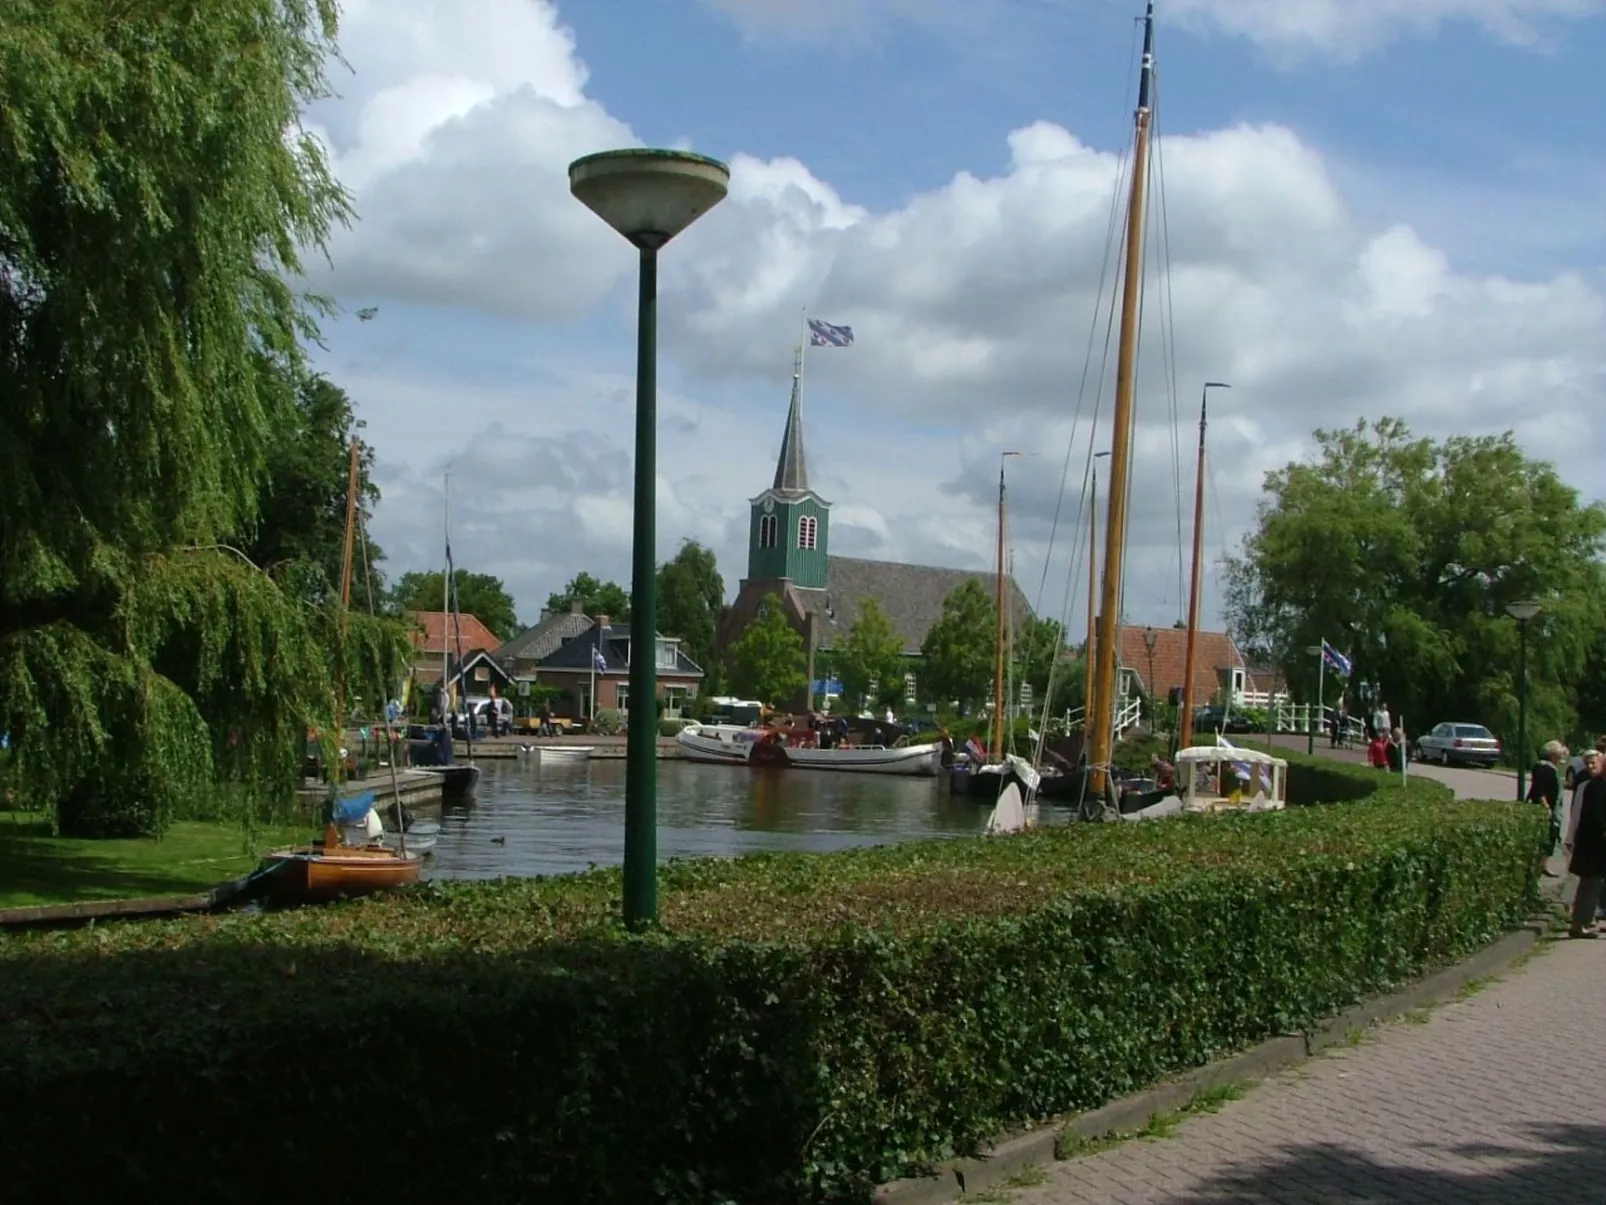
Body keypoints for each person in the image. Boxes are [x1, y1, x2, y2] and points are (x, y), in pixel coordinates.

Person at [1566, 755, 1605, 938]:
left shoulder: (1594, 785)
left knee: (1588, 884)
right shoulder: (1598, 788)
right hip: (1594, 845)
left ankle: (1579, 923)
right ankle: (1580, 923)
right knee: (1592, 885)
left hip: (1590, 843)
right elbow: (1596, 817)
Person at [1528, 739, 1567, 875]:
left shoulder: (1549, 767)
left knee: (1551, 836)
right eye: (1560, 755)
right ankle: (1540, 866)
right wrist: (1546, 807)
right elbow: (1539, 790)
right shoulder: (1544, 768)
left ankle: (1543, 865)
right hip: (1546, 808)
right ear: (1552, 755)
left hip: (1552, 807)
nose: (1561, 759)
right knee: (1547, 837)